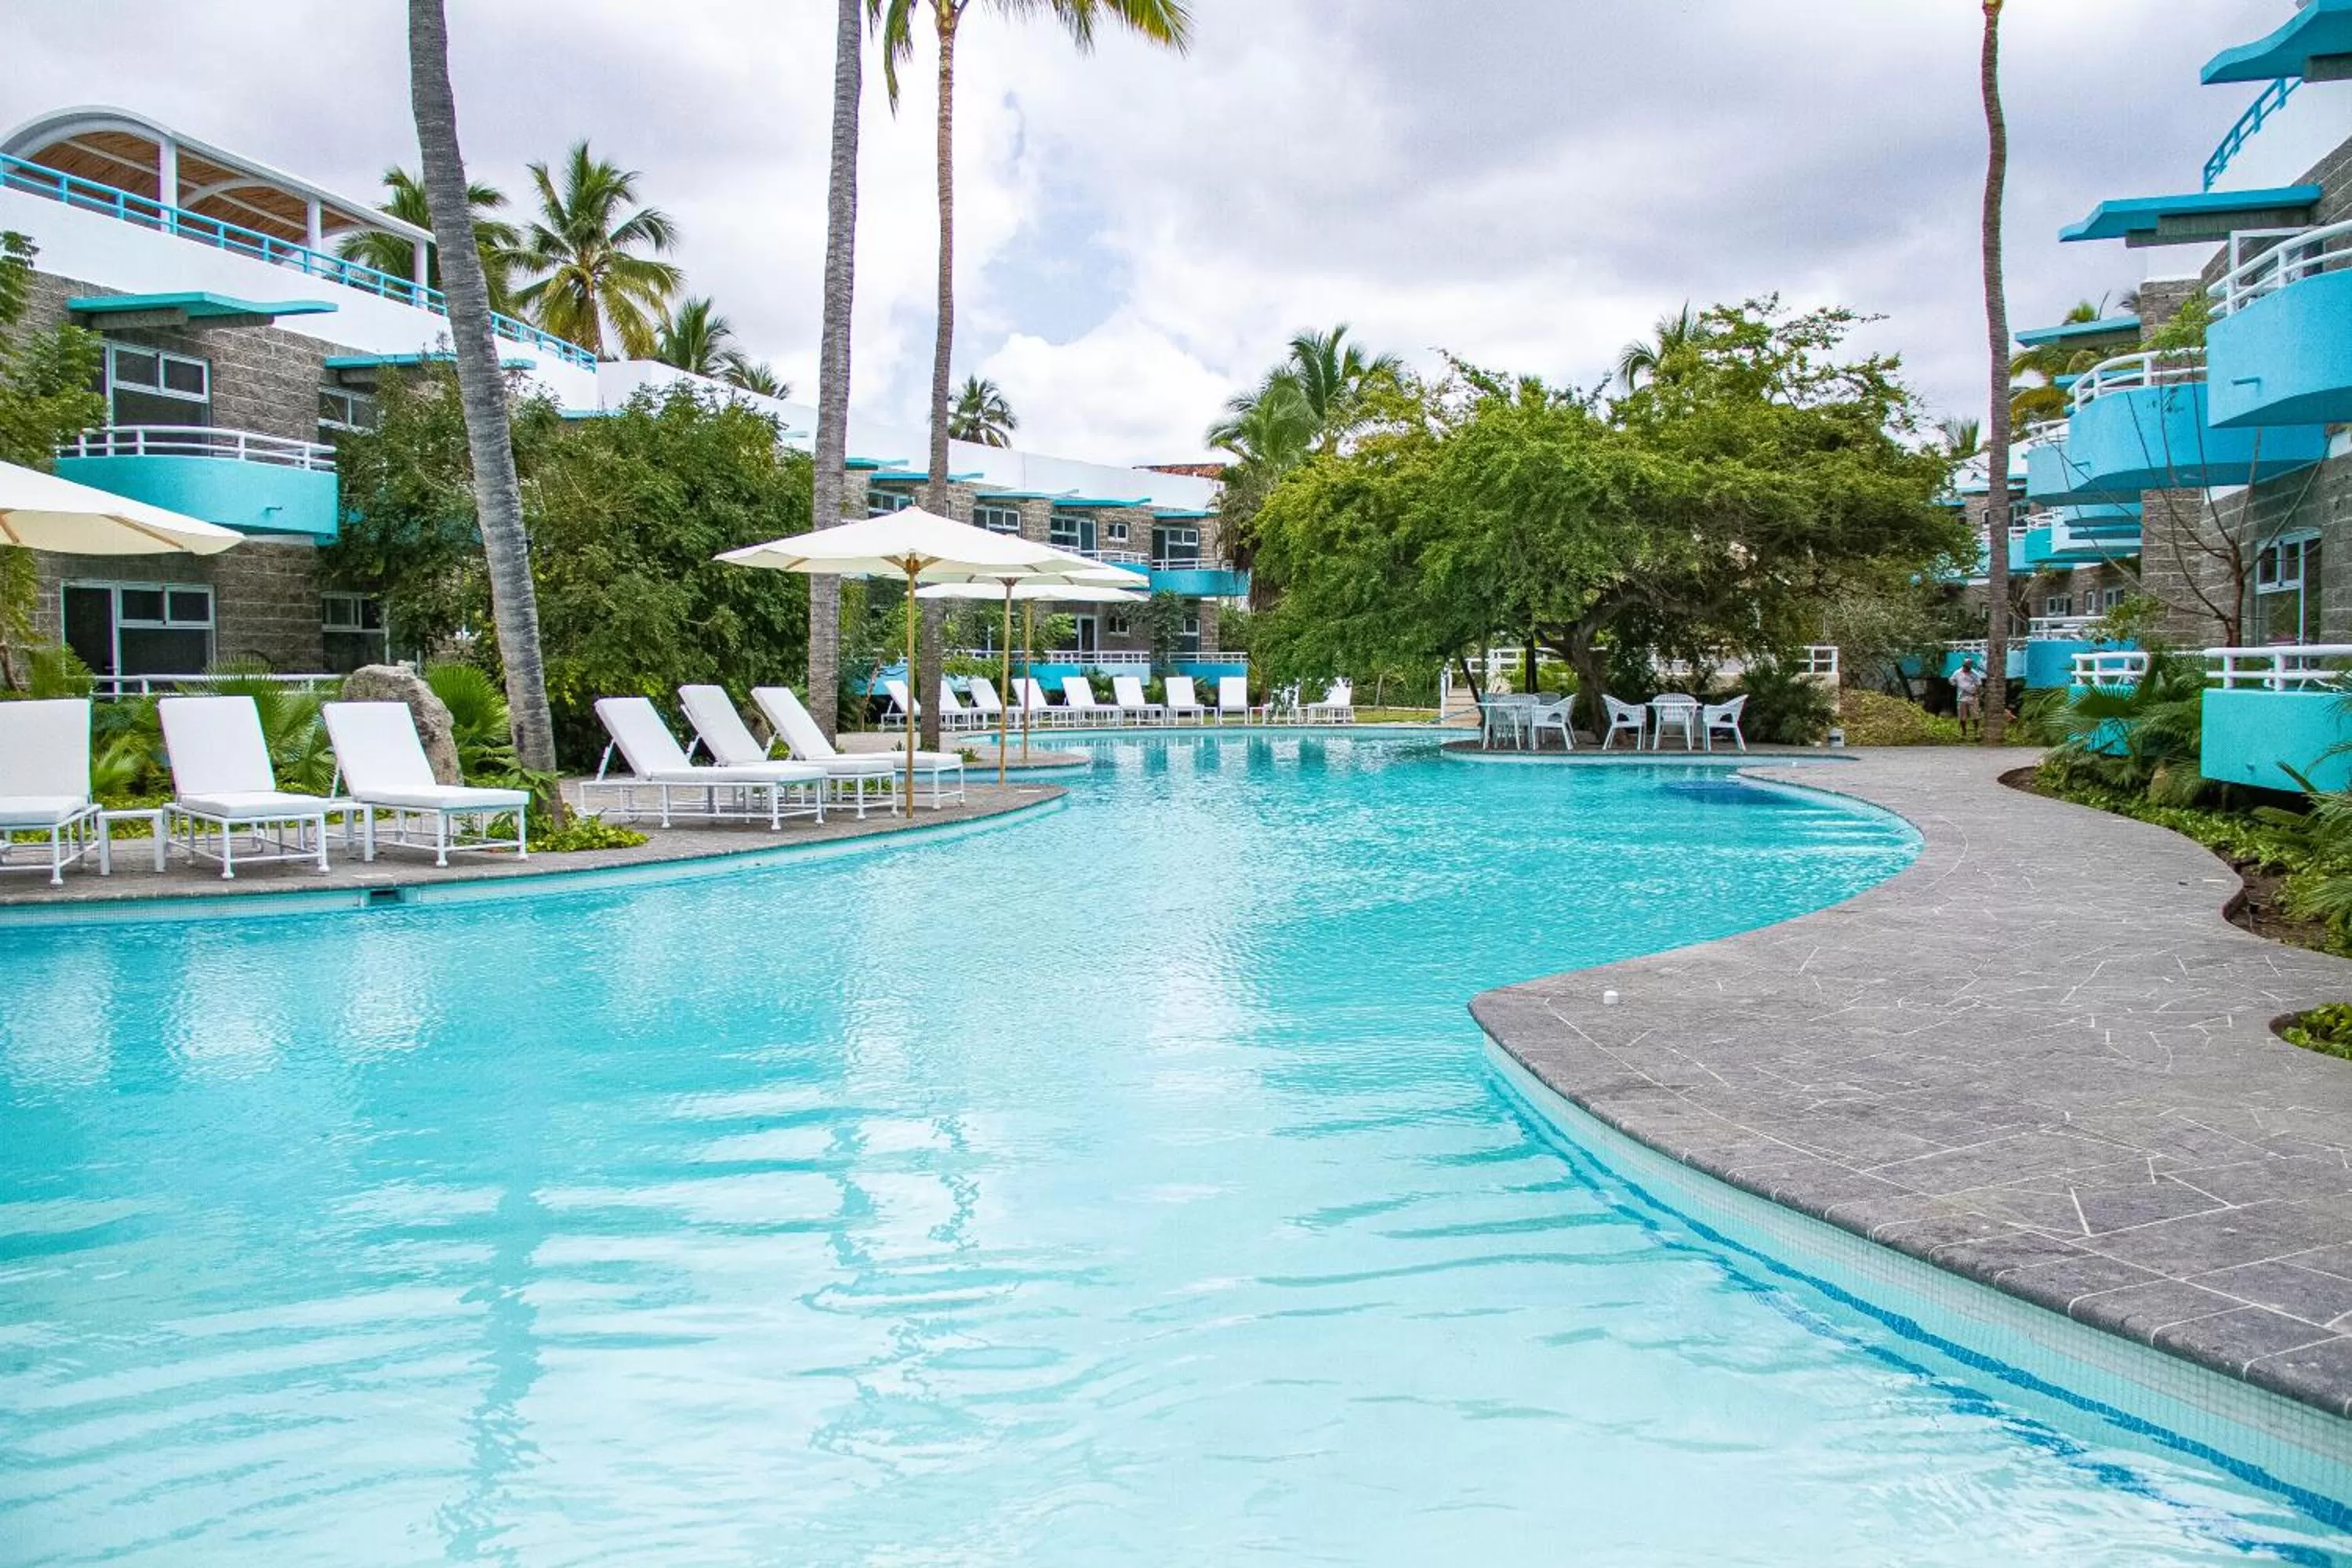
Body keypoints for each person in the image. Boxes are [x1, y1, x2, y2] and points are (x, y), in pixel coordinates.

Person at [1953, 655, 1984, 739]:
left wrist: (1976, 693)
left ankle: (1976, 732)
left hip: (1972, 697)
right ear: (1964, 666)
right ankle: (1964, 732)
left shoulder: (1975, 674)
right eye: (1966, 667)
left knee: (1975, 715)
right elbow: (1952, 680)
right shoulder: (1957, 673)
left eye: (1969, 667)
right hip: (1961, 697)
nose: (1968, 669)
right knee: (1962, 716)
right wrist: (1955, 684)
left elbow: (1979, 684)